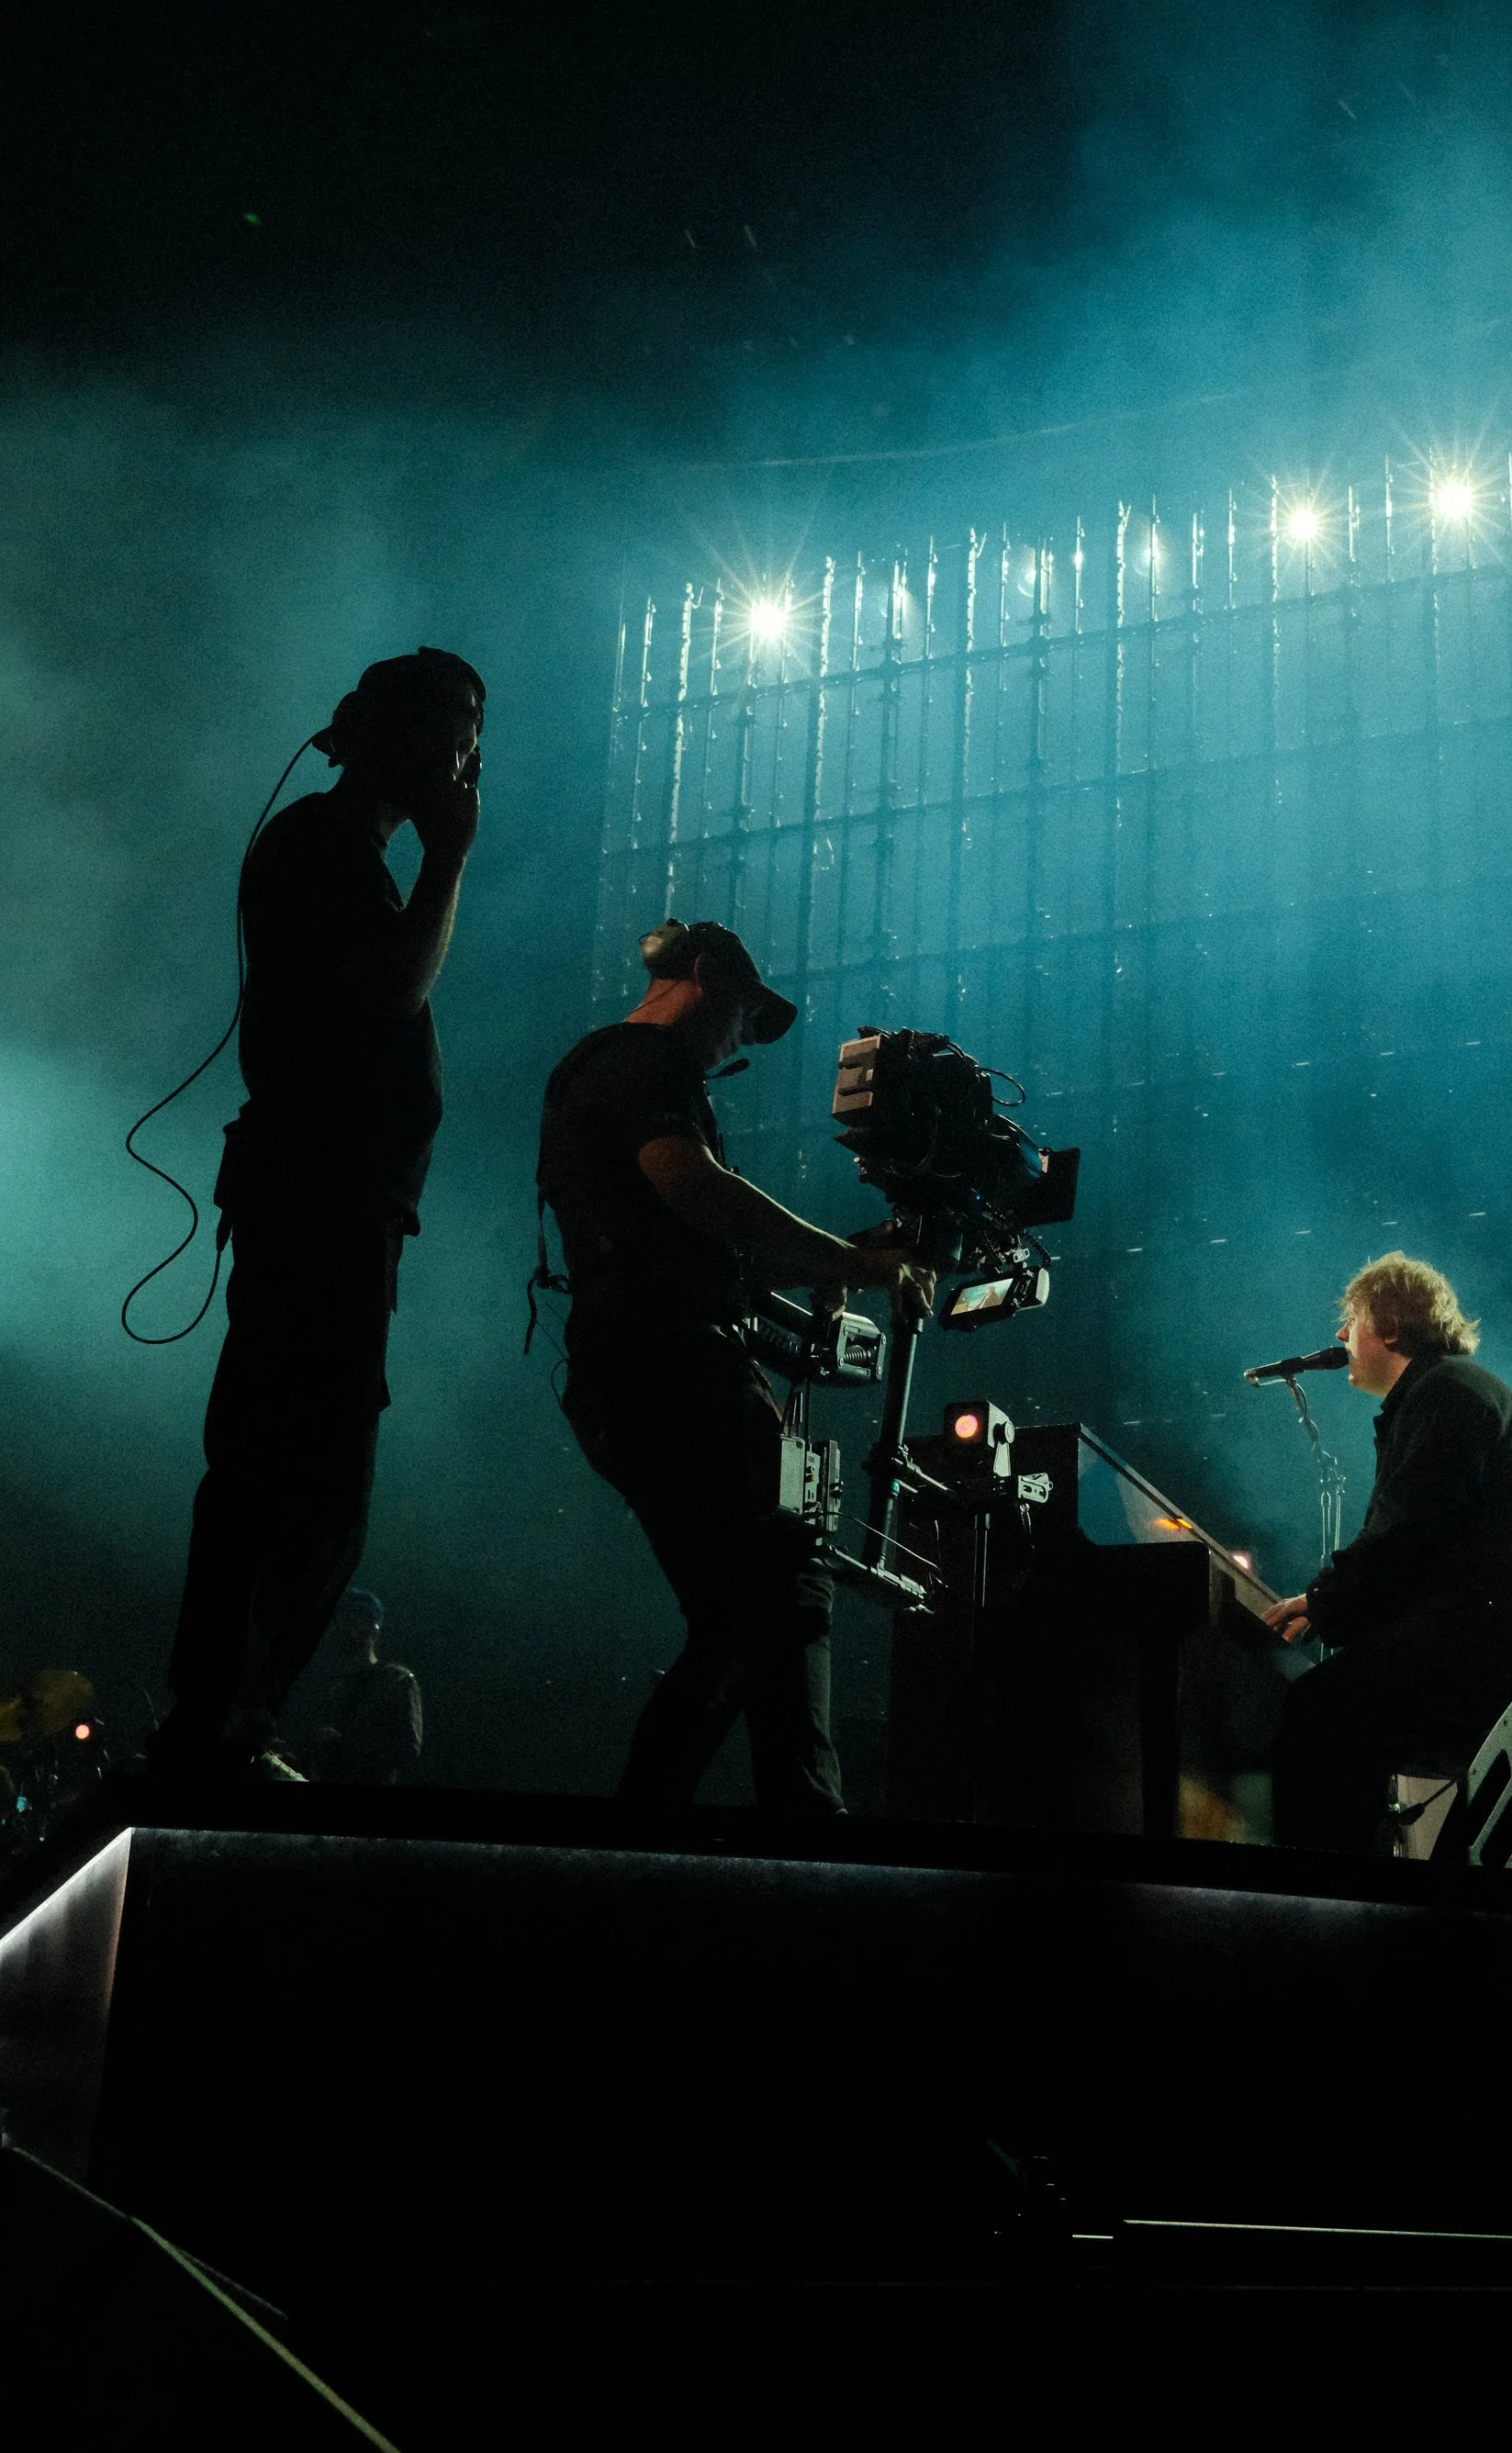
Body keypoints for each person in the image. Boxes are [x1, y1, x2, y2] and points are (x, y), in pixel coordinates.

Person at [150, 647, 485, 1787]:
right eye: (451, 723)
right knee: (291, 1472)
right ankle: (216, 1729)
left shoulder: (342, 855)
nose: (466, 755)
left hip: (338, 1203)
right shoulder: (319, 850)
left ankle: (227, 1722)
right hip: (321, 1197)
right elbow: (392, 990)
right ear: (378, 729)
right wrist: (449, 856)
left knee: (299, 1473)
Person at [538, 918, 928, 1815]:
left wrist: (849, 1255)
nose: (739, 1042)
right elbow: (696, 1188)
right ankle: (787, 1835)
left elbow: (698, 1239)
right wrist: (851, 1263)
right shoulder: (650, 1065)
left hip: (625, 1368)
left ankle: (679, 1838)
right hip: (668, 1366)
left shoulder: (599, 1072)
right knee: (781, 1586)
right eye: (743, 1018)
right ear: (706, 975)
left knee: (748, 1615)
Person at [1259, 1251, 1512, 1854]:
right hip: (1505, 1637)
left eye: (1350, 1320)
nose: (1339, 1336)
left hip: (1499, 1643)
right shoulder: (1445, 1393)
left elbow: (1407, 1528)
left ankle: (1321, 1916)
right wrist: (1336, 1603)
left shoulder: (1447, 1393)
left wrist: (1326, 1601)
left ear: (1388, 1325)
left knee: (1319, 1714)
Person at [302, 1588, 424, 1786]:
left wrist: (344, 1743)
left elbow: (408, 1749)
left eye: (352, 1619)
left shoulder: (397, 1680)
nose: (341, 1627)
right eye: (341, 1620)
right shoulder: (338, 1685)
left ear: (374, 1628)